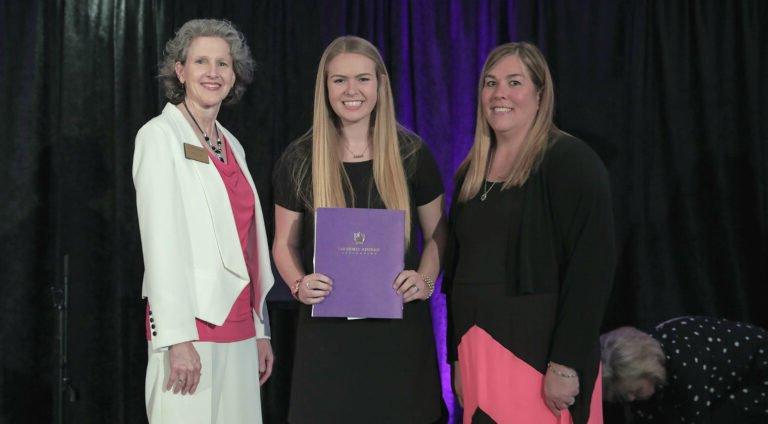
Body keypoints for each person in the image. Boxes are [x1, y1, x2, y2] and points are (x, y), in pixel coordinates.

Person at [271, 35, 446, 423]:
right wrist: (299, 284)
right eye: (339, 80)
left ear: (380, 85)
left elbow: (438, 234)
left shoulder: (412, 155)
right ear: (325, 88)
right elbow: (283, 243)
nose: (352, 91)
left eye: (363, 79)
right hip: (328, 340)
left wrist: (426, 279)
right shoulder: (299, 158)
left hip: (399, 336)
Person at [443, 42, 615, 423]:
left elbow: (592, 271)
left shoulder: (571, 162)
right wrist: (456, 356)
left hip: (540, 361)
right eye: (490, 83)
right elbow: (455, 276)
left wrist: (566, 363)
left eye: (514, 82)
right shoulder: (468, 175)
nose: (499, 93)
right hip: (478, 355)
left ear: (540, 95)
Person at [133, 19, 274, 423]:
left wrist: (260, 330)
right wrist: (177, 339)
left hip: (241, 326)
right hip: (191, 328)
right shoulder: (159, 135)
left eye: (223, 64)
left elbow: (247, 245)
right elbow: (160, 243)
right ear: (180, 70)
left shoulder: (233, 144)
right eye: (201, 61)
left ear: (234, 75)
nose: (213, 73)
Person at [601, 316, 768, 423]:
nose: (630, 399)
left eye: (636, 391)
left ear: (649, 370)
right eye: (624, 396)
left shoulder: (684, 363)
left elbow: (695, 419)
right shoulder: (656, 361)